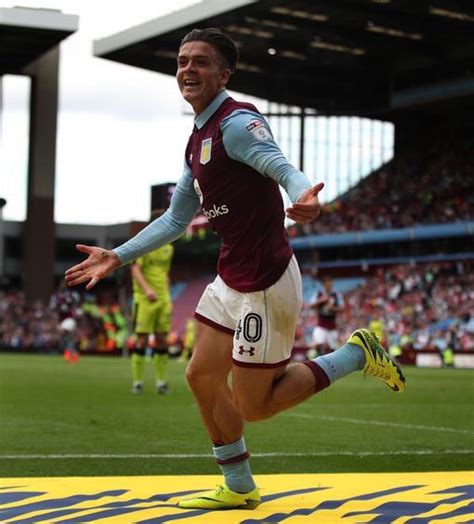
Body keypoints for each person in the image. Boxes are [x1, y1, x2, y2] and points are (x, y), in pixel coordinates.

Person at [65, 28, 406, 511]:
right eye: (182, 61)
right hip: (229, 278)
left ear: (224, 73)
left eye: (200, 62)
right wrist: (118, 256)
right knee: (201, 377)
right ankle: (239, 486)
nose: (187, 69)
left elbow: (281, 166)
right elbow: (176, 219)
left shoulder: (237, 122)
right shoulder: (197, 140)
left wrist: (303, 196)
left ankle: (354, 353)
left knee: (255, 405)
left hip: (265, 282)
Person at [130, 213, 174, 394]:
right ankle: (138, 382)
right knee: (141, 339)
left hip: (163, 299)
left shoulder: (169, 248)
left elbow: (165, 274)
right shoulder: (145, 244)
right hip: (145, 298)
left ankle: (161, 383)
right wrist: (147, 290)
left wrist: (168, 296)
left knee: (162, 340)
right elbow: (135, 269)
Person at [309, 275, 344, 355]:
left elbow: (342, 308)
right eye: (327, 283)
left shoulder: (336, 295)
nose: (329, 285)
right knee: (317, 344)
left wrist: (333, 308)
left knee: (334, 348)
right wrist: (320, 301)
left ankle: (332, 365)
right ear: (323, 285)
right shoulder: (319, 294)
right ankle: (316, 363)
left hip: (332, 326)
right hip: (321, 324)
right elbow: (311, 305)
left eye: (330, 283)